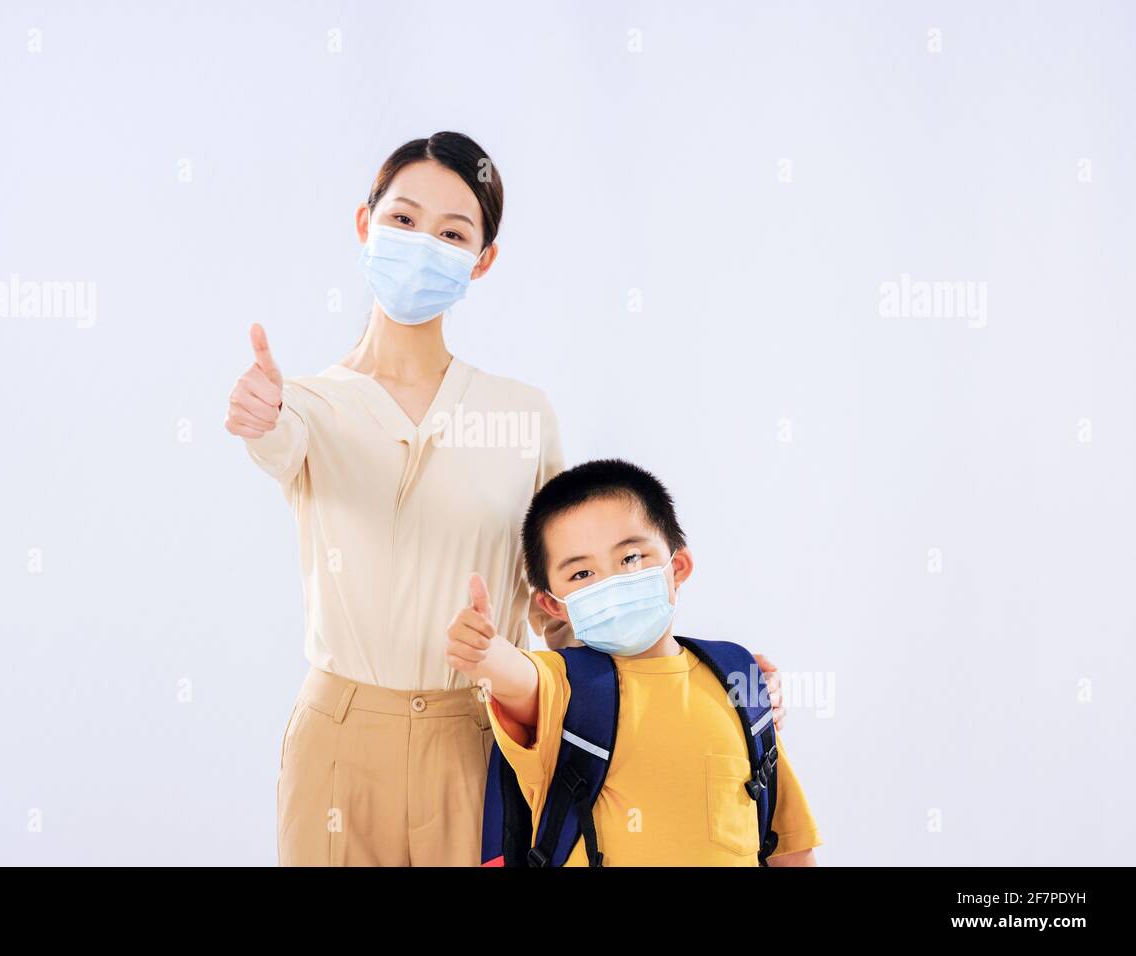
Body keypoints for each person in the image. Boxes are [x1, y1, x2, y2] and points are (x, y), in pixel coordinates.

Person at [226, 131, 786, 866]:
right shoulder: (306, 406)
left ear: (482, 260)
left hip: (482, 732)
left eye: (453, 232)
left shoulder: (521, 416)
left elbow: (568, 599)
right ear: (365, 225)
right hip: (339, 736)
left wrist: (704, 679)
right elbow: (276, 443)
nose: (423, 242)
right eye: (403, 219)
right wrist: (258, 416)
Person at [447, 458, 820, 865]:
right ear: (554, 605)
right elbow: (520, 680)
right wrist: (487, 654)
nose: (610, 582)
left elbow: (786, 843)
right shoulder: (565, 685)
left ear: (677, 567)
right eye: (582, 574)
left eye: (630, 559)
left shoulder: (737, 677)